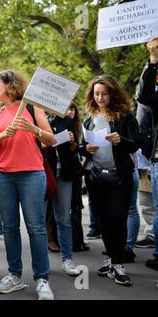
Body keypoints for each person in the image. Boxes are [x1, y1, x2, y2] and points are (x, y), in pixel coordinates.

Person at [0, 70, 57, 300]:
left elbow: (51, 139)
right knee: (10, 228)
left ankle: (42, 279)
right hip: (2, 176)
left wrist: (33, 129)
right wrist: (4, 134)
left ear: (9, 85)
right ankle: (14, 275)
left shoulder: (31, 107)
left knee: (36, 228)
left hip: (32, 175)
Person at [80, 75, 139, 285]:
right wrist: (85, 148)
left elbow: (135, 144)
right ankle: (111, 260)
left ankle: (118, 263)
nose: (100, 97)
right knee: (104, 220)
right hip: (96, 177)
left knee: (117, 218)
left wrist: (119, 140)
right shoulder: (89, 118)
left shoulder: (124, 116)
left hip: (120, 177)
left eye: (104, 93)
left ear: (112, 93)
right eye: (96, 93)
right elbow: (81, 145)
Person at [45, 106, 82, 276]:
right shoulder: (38, 119)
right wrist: (48, 141)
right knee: (38, 220)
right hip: (43, 175)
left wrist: (73, 142)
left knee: (64, 219)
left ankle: (67, 260)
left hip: (63, 175)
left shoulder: (66, 121)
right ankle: (41, 263)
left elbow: (74, 150)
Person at [136, 36, 158, 271]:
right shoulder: (148, 97)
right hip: (149, 153)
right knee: (147, 202)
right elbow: (144, 95)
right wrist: (152, 61)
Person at [66, 104, 89, 252]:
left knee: (76, 206)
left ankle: (78, 239)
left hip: (77, 169)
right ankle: (71, 240)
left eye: (72, 109)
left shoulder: (80, 126)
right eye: (67, 109)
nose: (69, 112)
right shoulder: (60, 124)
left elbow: (80, 148)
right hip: (66, 169)